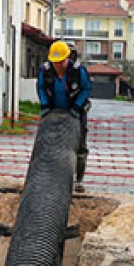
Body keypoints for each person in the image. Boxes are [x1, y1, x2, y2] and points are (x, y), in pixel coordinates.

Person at [37, 40, 92, 191]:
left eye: (61, 61)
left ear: (67, 58)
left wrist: (77, 106)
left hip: (76, 110)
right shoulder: (46, 71)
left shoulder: (78, 71)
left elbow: (86, 88)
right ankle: (50, 177)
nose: (58, 65)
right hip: (54, 110)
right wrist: (44, 105)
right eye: (55, 62)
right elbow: (41, 87)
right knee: (50, 142)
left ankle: (78, 180)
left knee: (80, 144)